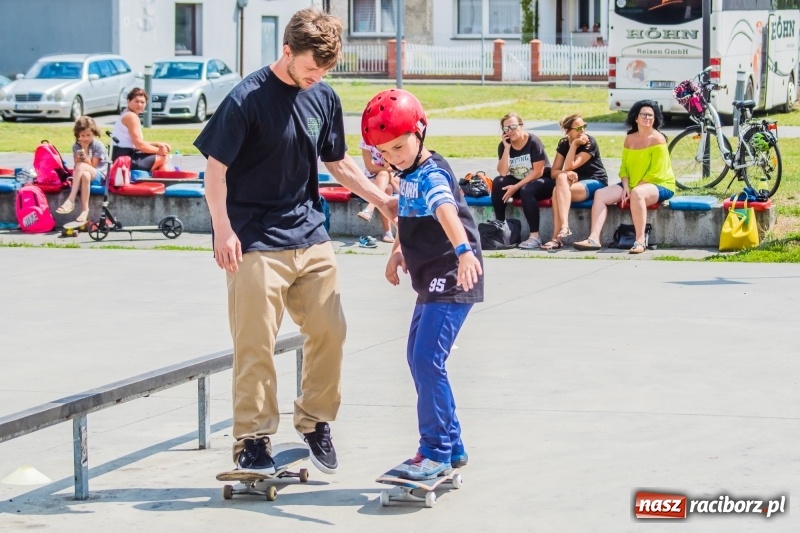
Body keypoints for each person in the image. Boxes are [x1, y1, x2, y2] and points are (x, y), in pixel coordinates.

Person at [193, 7, 396, 476]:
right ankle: (252, 438)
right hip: (254, 240)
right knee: (255, 341)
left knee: (330, 330)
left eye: (325, 70)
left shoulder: (322, 97)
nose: (317, 77)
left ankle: (315, 420)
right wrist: (222, 230)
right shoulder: (246, 99)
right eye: (311, 68)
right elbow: (215, 173)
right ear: (286, 52)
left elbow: (339, 163)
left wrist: (381, 199)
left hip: (309, 232)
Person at [362, 88, 483, 481]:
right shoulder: (408, 174)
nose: (394, 157)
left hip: (452, 275)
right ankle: (452, 442)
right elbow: (413, 216)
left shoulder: (430, 173)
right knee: (418, 357)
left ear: (420, 131)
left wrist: (464, 251)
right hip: (431, 278)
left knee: (427, 360)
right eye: (386, 152)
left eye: (399, 146)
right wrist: (398, 250)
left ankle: (435, 452)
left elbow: (445, 211)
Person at [573, 100, 675, 254]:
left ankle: (640, 241)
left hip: (659, 184)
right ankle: (593, 238)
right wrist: (626, 186)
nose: (647, 117)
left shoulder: (658, 139)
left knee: (638, 193)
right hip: (632, 184)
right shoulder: (630, 139)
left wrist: (634, 190)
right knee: (600, 194)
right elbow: (624, 168)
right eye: (644, 114)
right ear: (636, 118)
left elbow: (655, 172)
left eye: (651, 115)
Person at [542, 114, 608, 250]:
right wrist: (566, 173)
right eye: (578, 128)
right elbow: (554, 172)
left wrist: (575, 145)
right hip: (574, 185)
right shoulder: (563, 143)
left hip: (596, 181)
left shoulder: (590, 142)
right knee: (559, 183)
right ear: (567, 131)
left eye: (584, 126)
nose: (582, 131)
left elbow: (570, 165)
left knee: (557, 190)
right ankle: (563, 229)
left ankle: (557, 236)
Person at [489, 112, 553, 249]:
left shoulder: (533, 141)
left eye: (513, 127)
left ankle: (535, 236)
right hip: (519, 182)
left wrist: (516, 187)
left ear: (521, 125)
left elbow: (538, 171)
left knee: (526, 190)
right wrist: (506, 149)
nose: (510, 131)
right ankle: (501, 227)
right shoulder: (504, 145)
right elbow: (502, 172)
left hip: (542, 182)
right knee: (498, 182)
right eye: (506, 129)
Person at [56, 116, 107, 223]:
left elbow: (93, 166)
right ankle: (85, 210)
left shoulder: (99, 145)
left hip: (99, 175)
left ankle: (71, 199)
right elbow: (77, 163)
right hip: (85, 174)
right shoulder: (76, 146)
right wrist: (80, 152)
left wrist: (85, 149)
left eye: (88, 135)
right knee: (85, 175)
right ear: (78, 134)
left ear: (93, 133)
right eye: (82, 135)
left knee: (81, 166)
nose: (85, 138)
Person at [111, 88, 171, 171]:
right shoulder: (131, 117)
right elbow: (140, 145)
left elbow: (134, 143)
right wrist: (159, 151)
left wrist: (157, 144)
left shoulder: (126, 113)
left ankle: (159, 179)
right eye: (136, 101)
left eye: (142, 102)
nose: (139, 104)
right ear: (128, 101)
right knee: (163, 157)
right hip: (126, 159)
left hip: (121, 155)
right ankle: (161, 180)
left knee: (161, 156)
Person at [357, 137, 399, 243]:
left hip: (392, 179)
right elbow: (370, 167)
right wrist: (386, 169)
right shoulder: (366, 140)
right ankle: (387, 232)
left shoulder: (391, 138)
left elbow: (392, 166)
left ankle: (370, 208)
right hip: (372, 179)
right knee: (387, 189)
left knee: (384, 176)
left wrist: (386, 167)